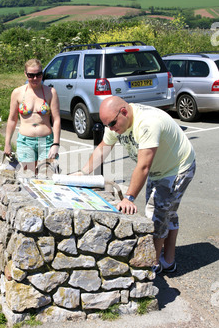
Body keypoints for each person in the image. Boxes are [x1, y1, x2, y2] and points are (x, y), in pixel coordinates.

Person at [78, 96, 196, 274]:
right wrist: (83, 173)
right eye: (107, 125)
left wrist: (129, 198)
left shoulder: (148, 123)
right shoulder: (116, 121)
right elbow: (103, 147)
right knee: (166, 212)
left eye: (112, 124)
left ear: (123, 112)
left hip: (177, 168)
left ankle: (153, 265)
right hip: (159, 169)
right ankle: (169, 261)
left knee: (156, 216)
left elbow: (143, 166)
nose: (111, 129)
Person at [4, 59, 61, 174]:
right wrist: (7, 144)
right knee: (28, 176)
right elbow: (12, 119)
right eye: (31, 75)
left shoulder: (51, 92)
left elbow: (56, 119)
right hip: (26, 141)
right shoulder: (17, 93)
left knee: (46, 175)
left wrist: (55, 143)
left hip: (46, 141)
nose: (35, 78)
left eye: (38, 74)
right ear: (25, 74)